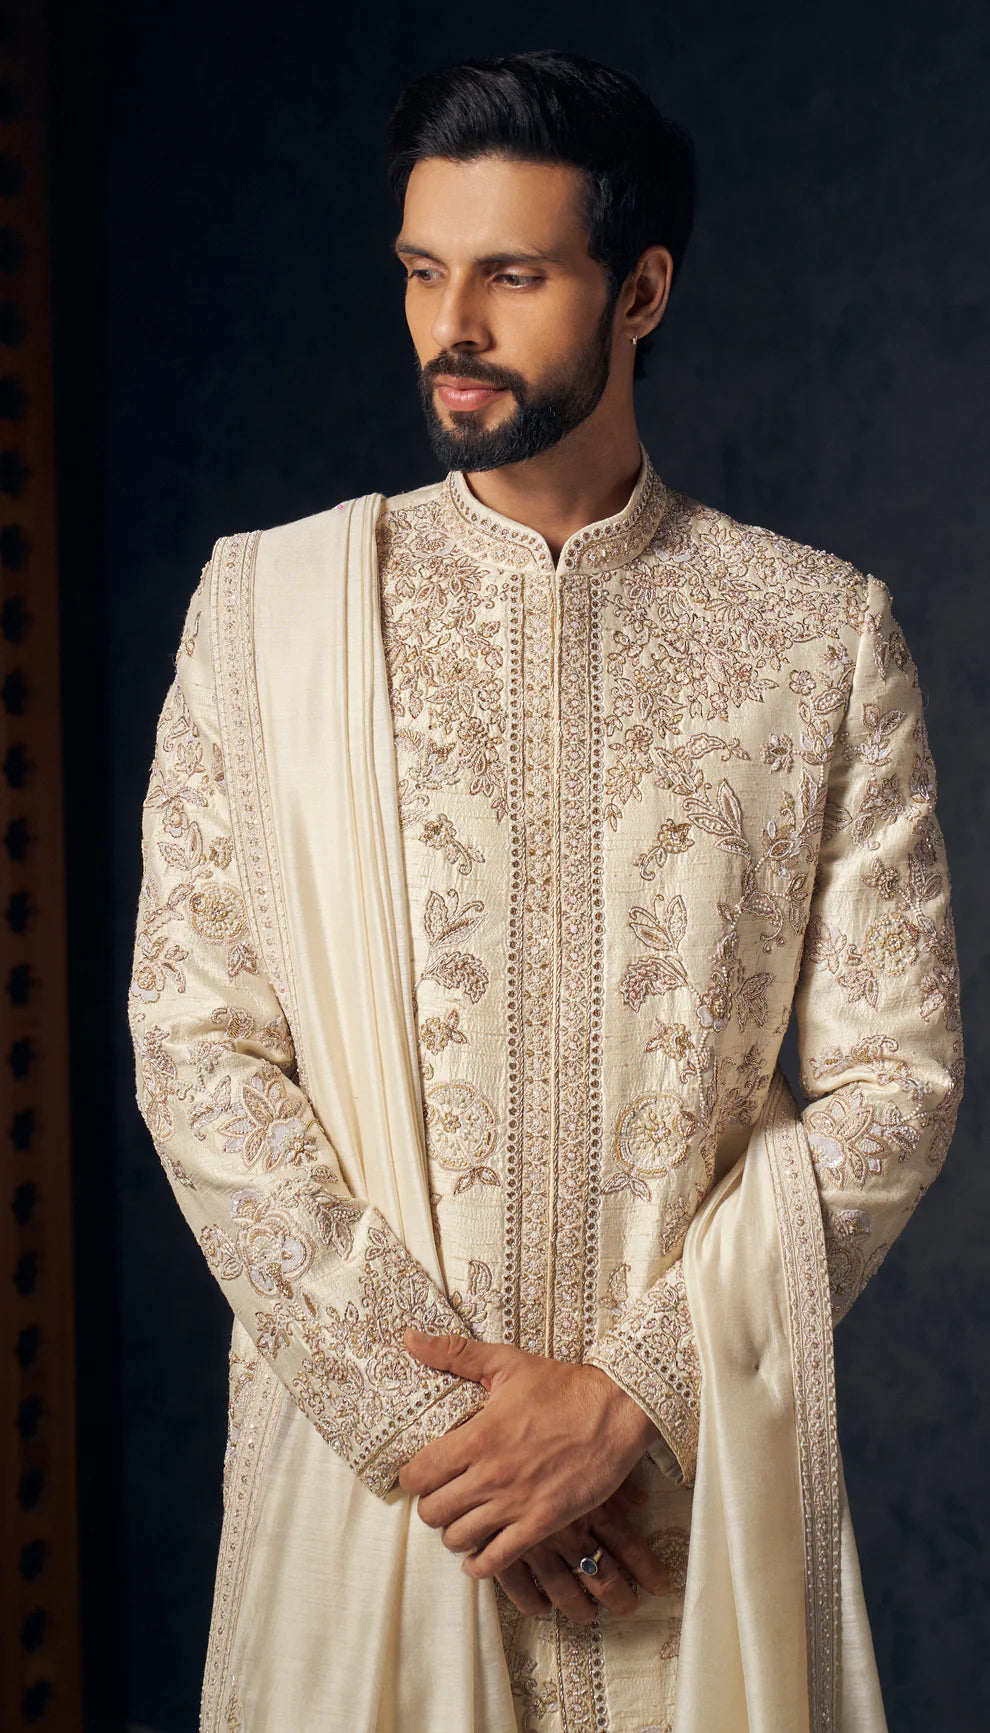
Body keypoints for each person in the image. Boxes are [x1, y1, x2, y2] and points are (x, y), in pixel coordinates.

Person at [127, 49, 963, 1733]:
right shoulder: (269, 615)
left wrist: (626, 1405)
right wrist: (441, 1434)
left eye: (510, 275)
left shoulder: (813, 638)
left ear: (638, 289)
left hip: (675, 1517)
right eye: (424, 272)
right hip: (382, 1507)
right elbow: (195, 1042)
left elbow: (895, 1083)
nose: (453, 323)